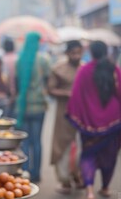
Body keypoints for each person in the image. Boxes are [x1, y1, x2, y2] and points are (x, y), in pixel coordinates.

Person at [67, 41, 121, 199]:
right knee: (110, 155)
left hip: (88, 122)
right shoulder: (114, 70)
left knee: (88, 154)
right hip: (113, 120)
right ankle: (105, 188)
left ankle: (89, 190)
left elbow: (76, 96)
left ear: (90, 53)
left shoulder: (84, 71)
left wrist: (75, 117)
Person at [48, 40, 83, 194]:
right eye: (73, 52)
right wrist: (67, 94)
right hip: (64, 113)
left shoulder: (85, 69)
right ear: (67, 53)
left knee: (82, 146)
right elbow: (50, 89)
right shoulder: (58, 69)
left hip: (82, 113)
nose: (76, 56)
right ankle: (65, 181)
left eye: (78, 52)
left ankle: (79, 176)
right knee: (62, 146)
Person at [15, 31, 50, 182]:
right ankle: (37, 173)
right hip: (38, 106)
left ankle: (26, 171)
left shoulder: (20, 60)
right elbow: (48, 81)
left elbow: (17, 85)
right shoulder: (44, 59)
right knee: (37, 141)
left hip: (23, 107)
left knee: (26, 141)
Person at [2, 39, 18, 116]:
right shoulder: (17, 58)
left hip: (8, 92)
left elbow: (5, 78)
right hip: (18, 92)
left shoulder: (3, 59)